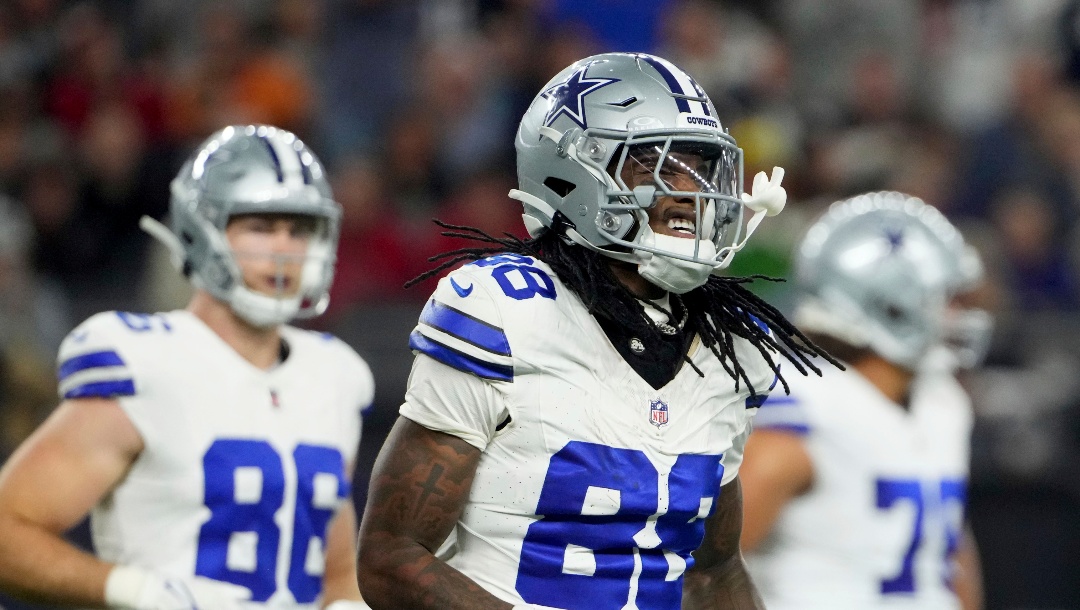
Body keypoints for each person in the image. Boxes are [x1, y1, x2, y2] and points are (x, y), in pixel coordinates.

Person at [356, 52, 837, 609]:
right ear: (574, 171)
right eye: (656, 165)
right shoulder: (507, 310)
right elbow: (393, 556)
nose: (690, 190)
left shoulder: (727, 345)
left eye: (700, 167)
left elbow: (711, 569)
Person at [0, 125, 373, 610]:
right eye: (261, 226)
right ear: (203, 230)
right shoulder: (147, 363)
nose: (285, 248)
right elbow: (9, 531)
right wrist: (138, 591)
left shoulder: (333, 375)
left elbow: (336, 578)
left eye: (300, 228)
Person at [739, 191, 988, 609]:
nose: (960, 314)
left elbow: (947, 546)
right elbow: (704, 567)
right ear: (892, 304)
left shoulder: (940, 401)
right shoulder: (806, 409)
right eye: (948, 298)